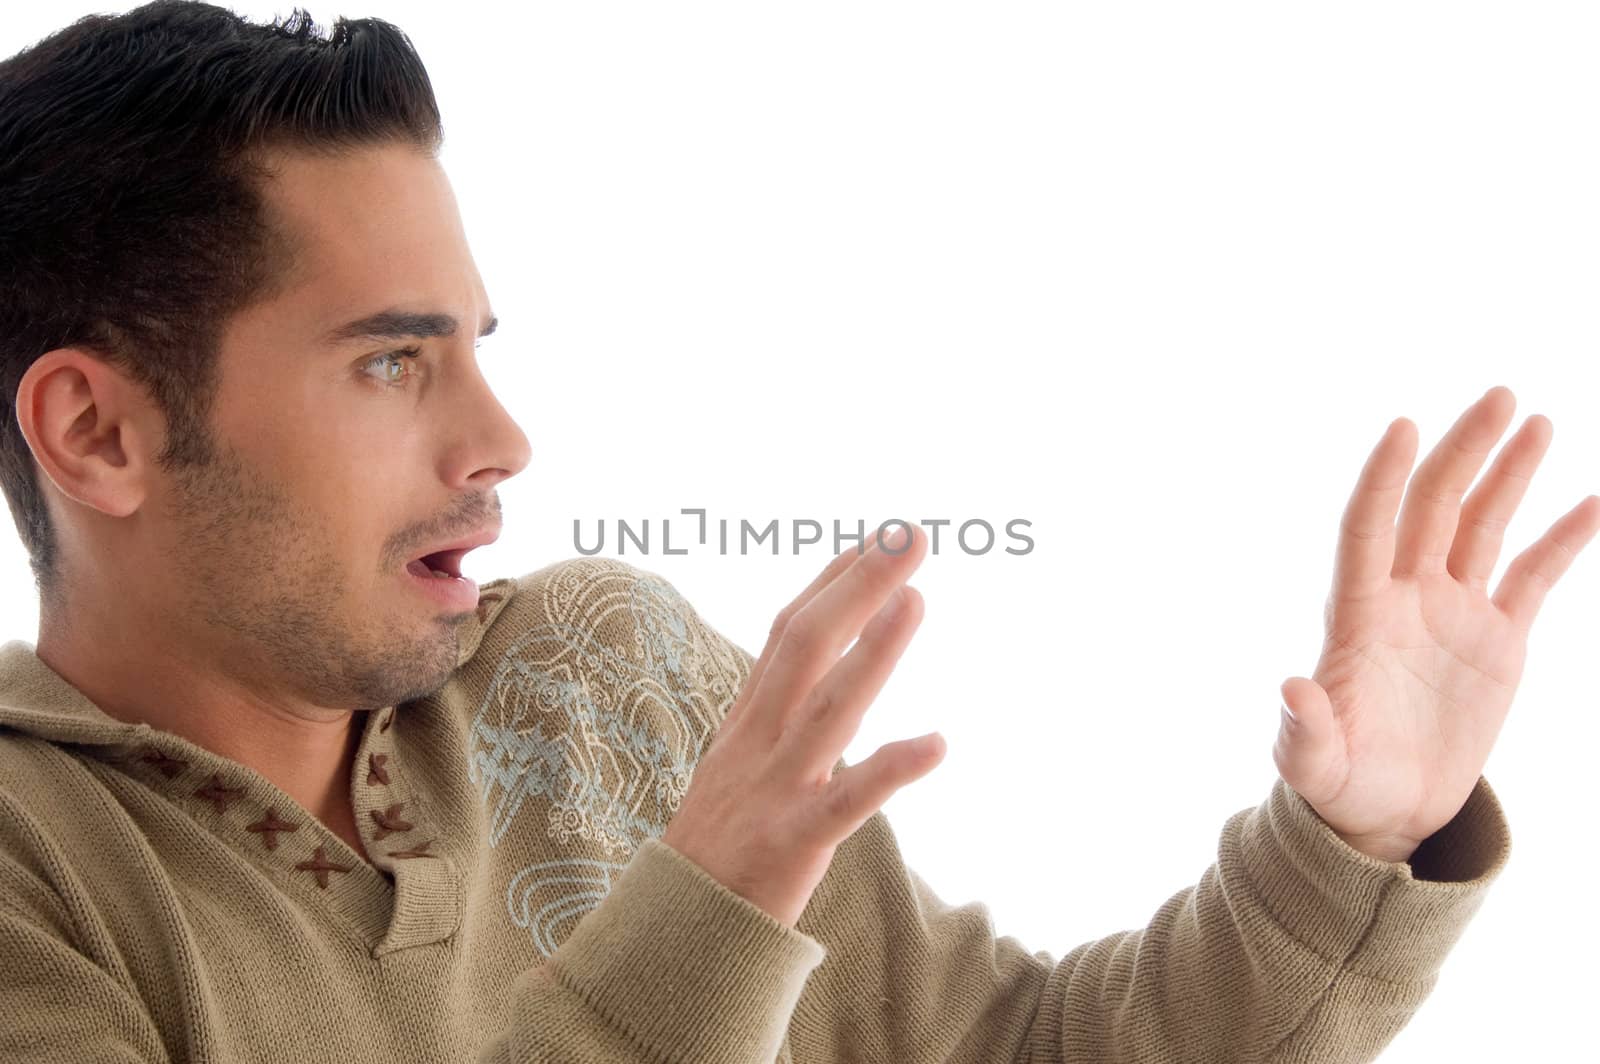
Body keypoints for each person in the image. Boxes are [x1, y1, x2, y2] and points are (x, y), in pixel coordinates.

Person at [1, 3, 1595, 1061]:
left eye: (484, 348)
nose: (500, 442)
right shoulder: (29, 872)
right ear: (100, 432)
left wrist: (1351, 852)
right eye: (392, 360)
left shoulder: (599, 669)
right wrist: (700, 926)